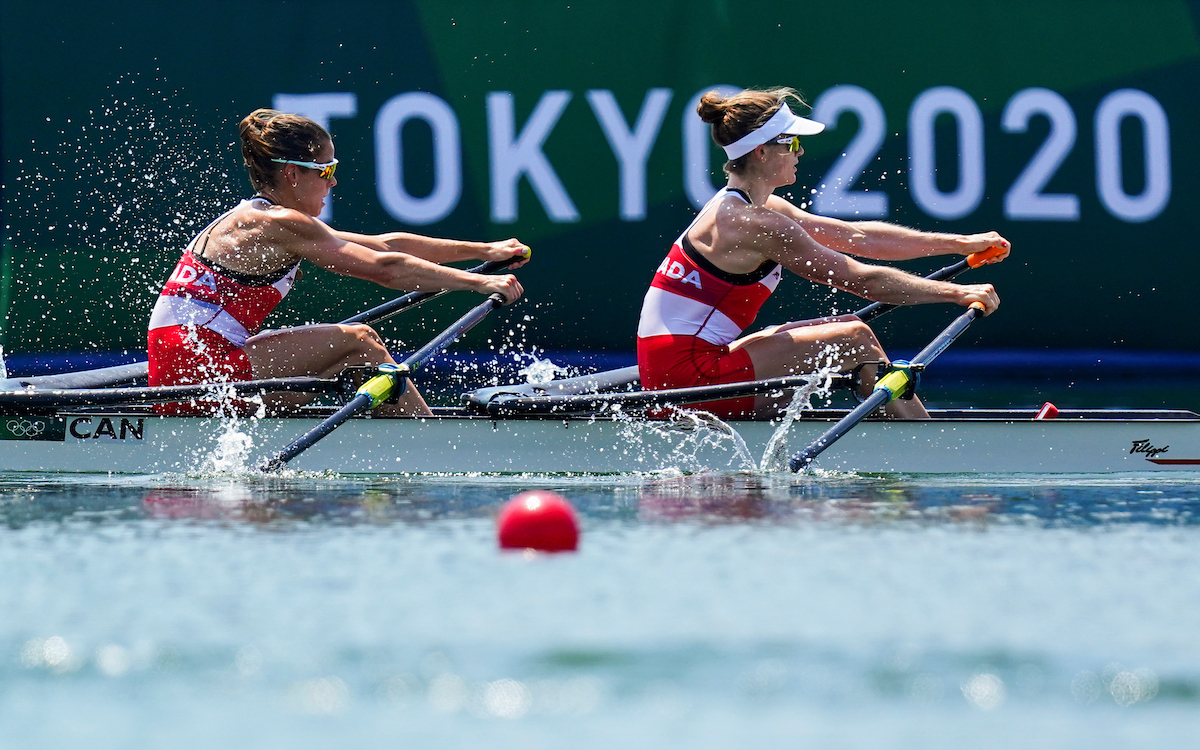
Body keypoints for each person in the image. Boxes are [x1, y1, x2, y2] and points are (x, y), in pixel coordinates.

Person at [636, 87, 1008, 419]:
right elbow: (862, 280)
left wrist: (960, 244)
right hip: (687, 381)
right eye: (793, 143)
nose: (801, 152)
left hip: (681, 371)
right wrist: (956, 293)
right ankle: (924, 447)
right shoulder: (751, 223)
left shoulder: (757, 209)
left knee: (842, 327)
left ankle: (902, 430)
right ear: (763, 152)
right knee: (854, 338)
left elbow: (858, 237)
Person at [148, 108, 527, 416]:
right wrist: (479, 283)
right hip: (195, 372)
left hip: (193, 367)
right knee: (360, 341)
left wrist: (484, 250)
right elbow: (385, 268)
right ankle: (425, 446)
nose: (333, 182)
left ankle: (403, 440)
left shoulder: (264, 218)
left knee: (359, 353)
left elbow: (384, 244)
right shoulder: (278, 223)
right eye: (326, 170)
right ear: (293, 173)